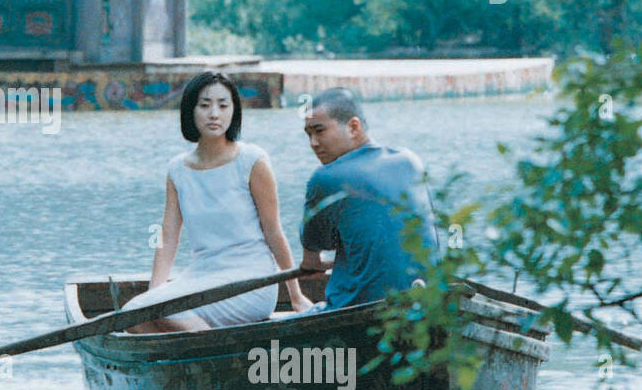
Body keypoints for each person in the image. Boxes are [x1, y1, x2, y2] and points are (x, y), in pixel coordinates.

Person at [124, 72, 311, 334]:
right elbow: (168, 235)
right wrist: (155, 292)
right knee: (133, 315)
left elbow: (273, 230)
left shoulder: (252, 160)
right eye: (204, 105)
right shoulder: (177, 169)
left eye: (223, 105)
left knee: (158, 309)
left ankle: (208, 349)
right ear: (190, 110)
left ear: (234, 111)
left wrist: (295, 295)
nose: (214, 114)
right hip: (200, 275)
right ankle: (193, 361)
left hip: (250, 280)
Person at [297, 88, 439, 308]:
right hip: (426, 300)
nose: (313, 143)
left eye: (319, 131)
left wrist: (314, 262)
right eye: (308, 134)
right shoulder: (410, 160)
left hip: (361, 311)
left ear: (354, 127)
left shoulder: (326, 177)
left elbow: (312, 258)